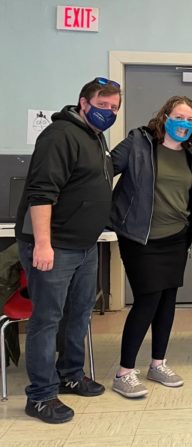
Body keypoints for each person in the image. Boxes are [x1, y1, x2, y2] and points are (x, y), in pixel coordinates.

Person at [14, 77, 121, 423]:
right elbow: (41, 193)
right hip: (54, 247)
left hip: (84, 245)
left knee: (78, 313)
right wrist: (43, 245)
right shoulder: (59, 135)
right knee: (47, 320)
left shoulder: (95, 137)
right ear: (84, 103)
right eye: (103, 105)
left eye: (114, 107)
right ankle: (42, 396)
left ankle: (70, 373)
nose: (109, 112)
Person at [109, 96, 192, 397]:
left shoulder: (191, 155)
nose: (184, 123)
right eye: (179, 116)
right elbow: (103, 170)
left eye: (190, 119)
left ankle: (158, 364)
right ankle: (124, 372)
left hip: (176, 238)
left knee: (167, 302)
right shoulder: (139, 143)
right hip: (140, 237)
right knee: (147, 300)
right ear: (164, 117)